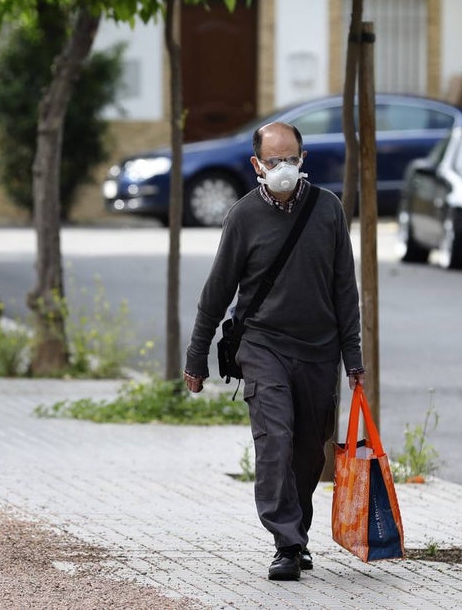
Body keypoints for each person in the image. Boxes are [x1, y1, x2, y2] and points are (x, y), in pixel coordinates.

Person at [183, 121, 364, 582]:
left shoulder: (328, 210)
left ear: (303, 160)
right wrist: (196, 357)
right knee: (275, 443)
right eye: (273, 160)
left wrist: (353, 358)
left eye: (290, 159)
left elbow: (345, 287)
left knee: (308, 452)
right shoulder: (243, 217)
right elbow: (217, 291)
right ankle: (286, 542)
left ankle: (296, 533)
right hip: (263, 347)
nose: (282, 168)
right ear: (256, 164)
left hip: (319, 351)